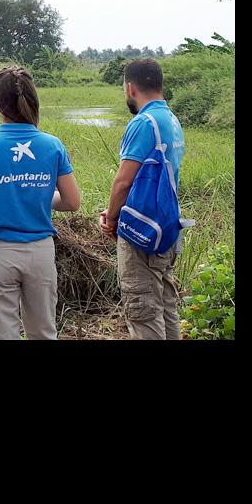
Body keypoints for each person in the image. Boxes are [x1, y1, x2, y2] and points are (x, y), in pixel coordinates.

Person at [0, 67, 82, 340]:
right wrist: (37, 194)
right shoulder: (52, 145)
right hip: (40, 253)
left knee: (3, 334)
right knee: (43, 332)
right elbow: (73, 202)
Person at [99, 58, 186, 340]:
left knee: (143, 309)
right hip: (169, 227)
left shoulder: (144, 122)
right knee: (165, 305)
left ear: (130, 88)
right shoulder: (172, 120)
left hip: (144, 233)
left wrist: (111, 217)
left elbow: (123, 181)